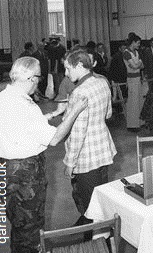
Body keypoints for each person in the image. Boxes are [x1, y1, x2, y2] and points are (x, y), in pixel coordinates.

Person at [0, 56, 87, 253]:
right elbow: (54, 139)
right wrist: (74, 111)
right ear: (31, 78)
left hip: (2, 170)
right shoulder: (26, 106)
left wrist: (51, 115)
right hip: (24, 175)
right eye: (38, 79)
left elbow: (21, 126)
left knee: (18, 226)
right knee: (31, 231)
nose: (38, 84)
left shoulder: (1, 100)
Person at [62, 49, 117, 228]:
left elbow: (77, 133)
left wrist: (70, 163)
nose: (65, 73)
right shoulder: (102, 82)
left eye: (68, 69)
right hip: (103, 150)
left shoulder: (79, 92)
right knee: (101, 200)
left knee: (90, 207)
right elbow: (108, 113)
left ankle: (95, 241)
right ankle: (105, 237)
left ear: (79, 66)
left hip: (86, 157)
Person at [123, 33, 144, 132]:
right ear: (133, 42)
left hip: (138, 78)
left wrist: (137, 65)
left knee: (139, 100)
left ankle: (139, 123)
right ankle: (132, 125)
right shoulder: (126, 53)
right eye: (138, 43)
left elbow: (140, 66)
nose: (139, 45)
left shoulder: (136, 52)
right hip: (131, 80)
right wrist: (138, 64)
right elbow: (135, 66)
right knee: (132, 102)